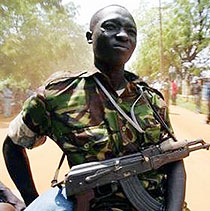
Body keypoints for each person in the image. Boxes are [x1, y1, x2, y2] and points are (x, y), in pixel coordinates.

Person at [3, 5, 186, 211]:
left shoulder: (151, 99)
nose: (123, 35)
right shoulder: (59, 94)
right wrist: (30, 199)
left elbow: (175, 159)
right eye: (110, 27)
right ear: (90, 37)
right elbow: (12, 145)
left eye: (131, 32)